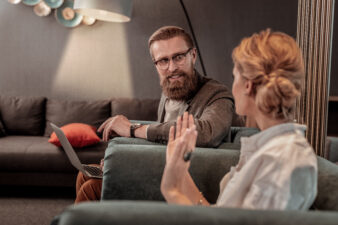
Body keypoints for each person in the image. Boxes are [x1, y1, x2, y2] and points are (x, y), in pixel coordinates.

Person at [75, 26, 241, 203]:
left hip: (185, 180)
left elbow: (208, 132)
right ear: (155, 64)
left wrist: (132, 129)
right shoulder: (169, 92)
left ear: (193, 55)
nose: (172, 68)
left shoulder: (217, 94)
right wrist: (120, 158)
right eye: (163, 61)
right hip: (156, 166)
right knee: (85, 174)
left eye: (178, 57)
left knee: (92, 187)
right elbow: (160, 139)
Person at [161, 29, 318, 210]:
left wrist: (171, 190)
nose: (231, 86)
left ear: (248, 86)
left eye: (234, 77)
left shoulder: (283, 159)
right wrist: (180, 172)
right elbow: (220, 215)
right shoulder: (269, 147)